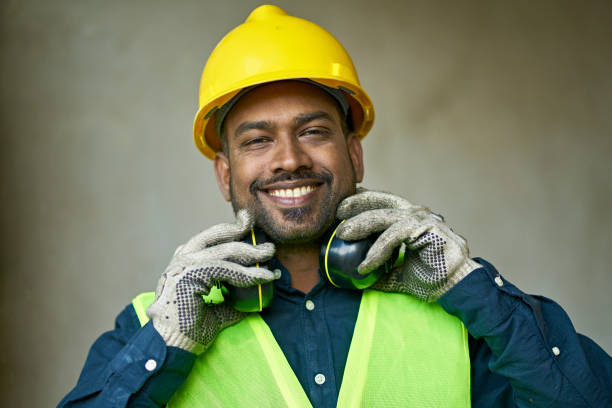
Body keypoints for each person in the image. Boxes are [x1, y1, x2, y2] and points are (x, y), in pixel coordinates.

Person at [59, 5, 612, 407]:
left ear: (354, 154)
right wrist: (164, 344)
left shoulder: (462, 320)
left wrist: (471, 286)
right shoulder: (146, 326)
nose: (288, 159)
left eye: (313, 131)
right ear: (225, 174)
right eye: (257, 140)